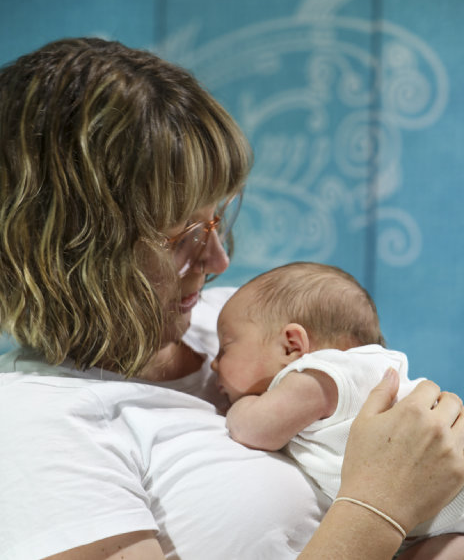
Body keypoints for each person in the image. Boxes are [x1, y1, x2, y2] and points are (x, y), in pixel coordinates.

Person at [0, 38, 463, 560]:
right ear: (74, 248)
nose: (219, 260)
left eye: (215, 219)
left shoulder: (236, 319)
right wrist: (379, 506)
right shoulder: (34, 423)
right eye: (184, 236)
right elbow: (392, 480)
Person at [213, 262, 464, 558]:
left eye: (225, 347)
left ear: (291, 346)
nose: (214, 364)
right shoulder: (352, 377)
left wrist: (240, 405)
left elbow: (252, 429)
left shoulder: (319, 374)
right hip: (443, 520)